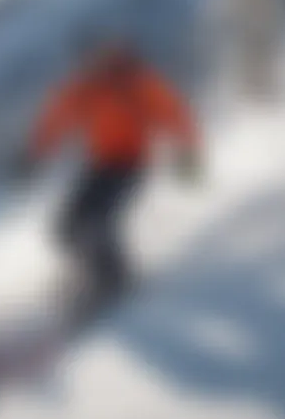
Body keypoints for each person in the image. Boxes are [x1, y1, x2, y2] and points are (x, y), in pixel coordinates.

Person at [20, 37, 201, 327]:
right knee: (66, 227)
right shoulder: (86, 88)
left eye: (104, 61)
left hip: (131, 164)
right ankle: (86, 274)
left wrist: (188, 152)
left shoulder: (138, 84)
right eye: (93, 62)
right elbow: (57, 118)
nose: (98, 67)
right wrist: (34, 155)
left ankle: (115, 279)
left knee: (99, 223)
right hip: (101, 164)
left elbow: (175, 114)